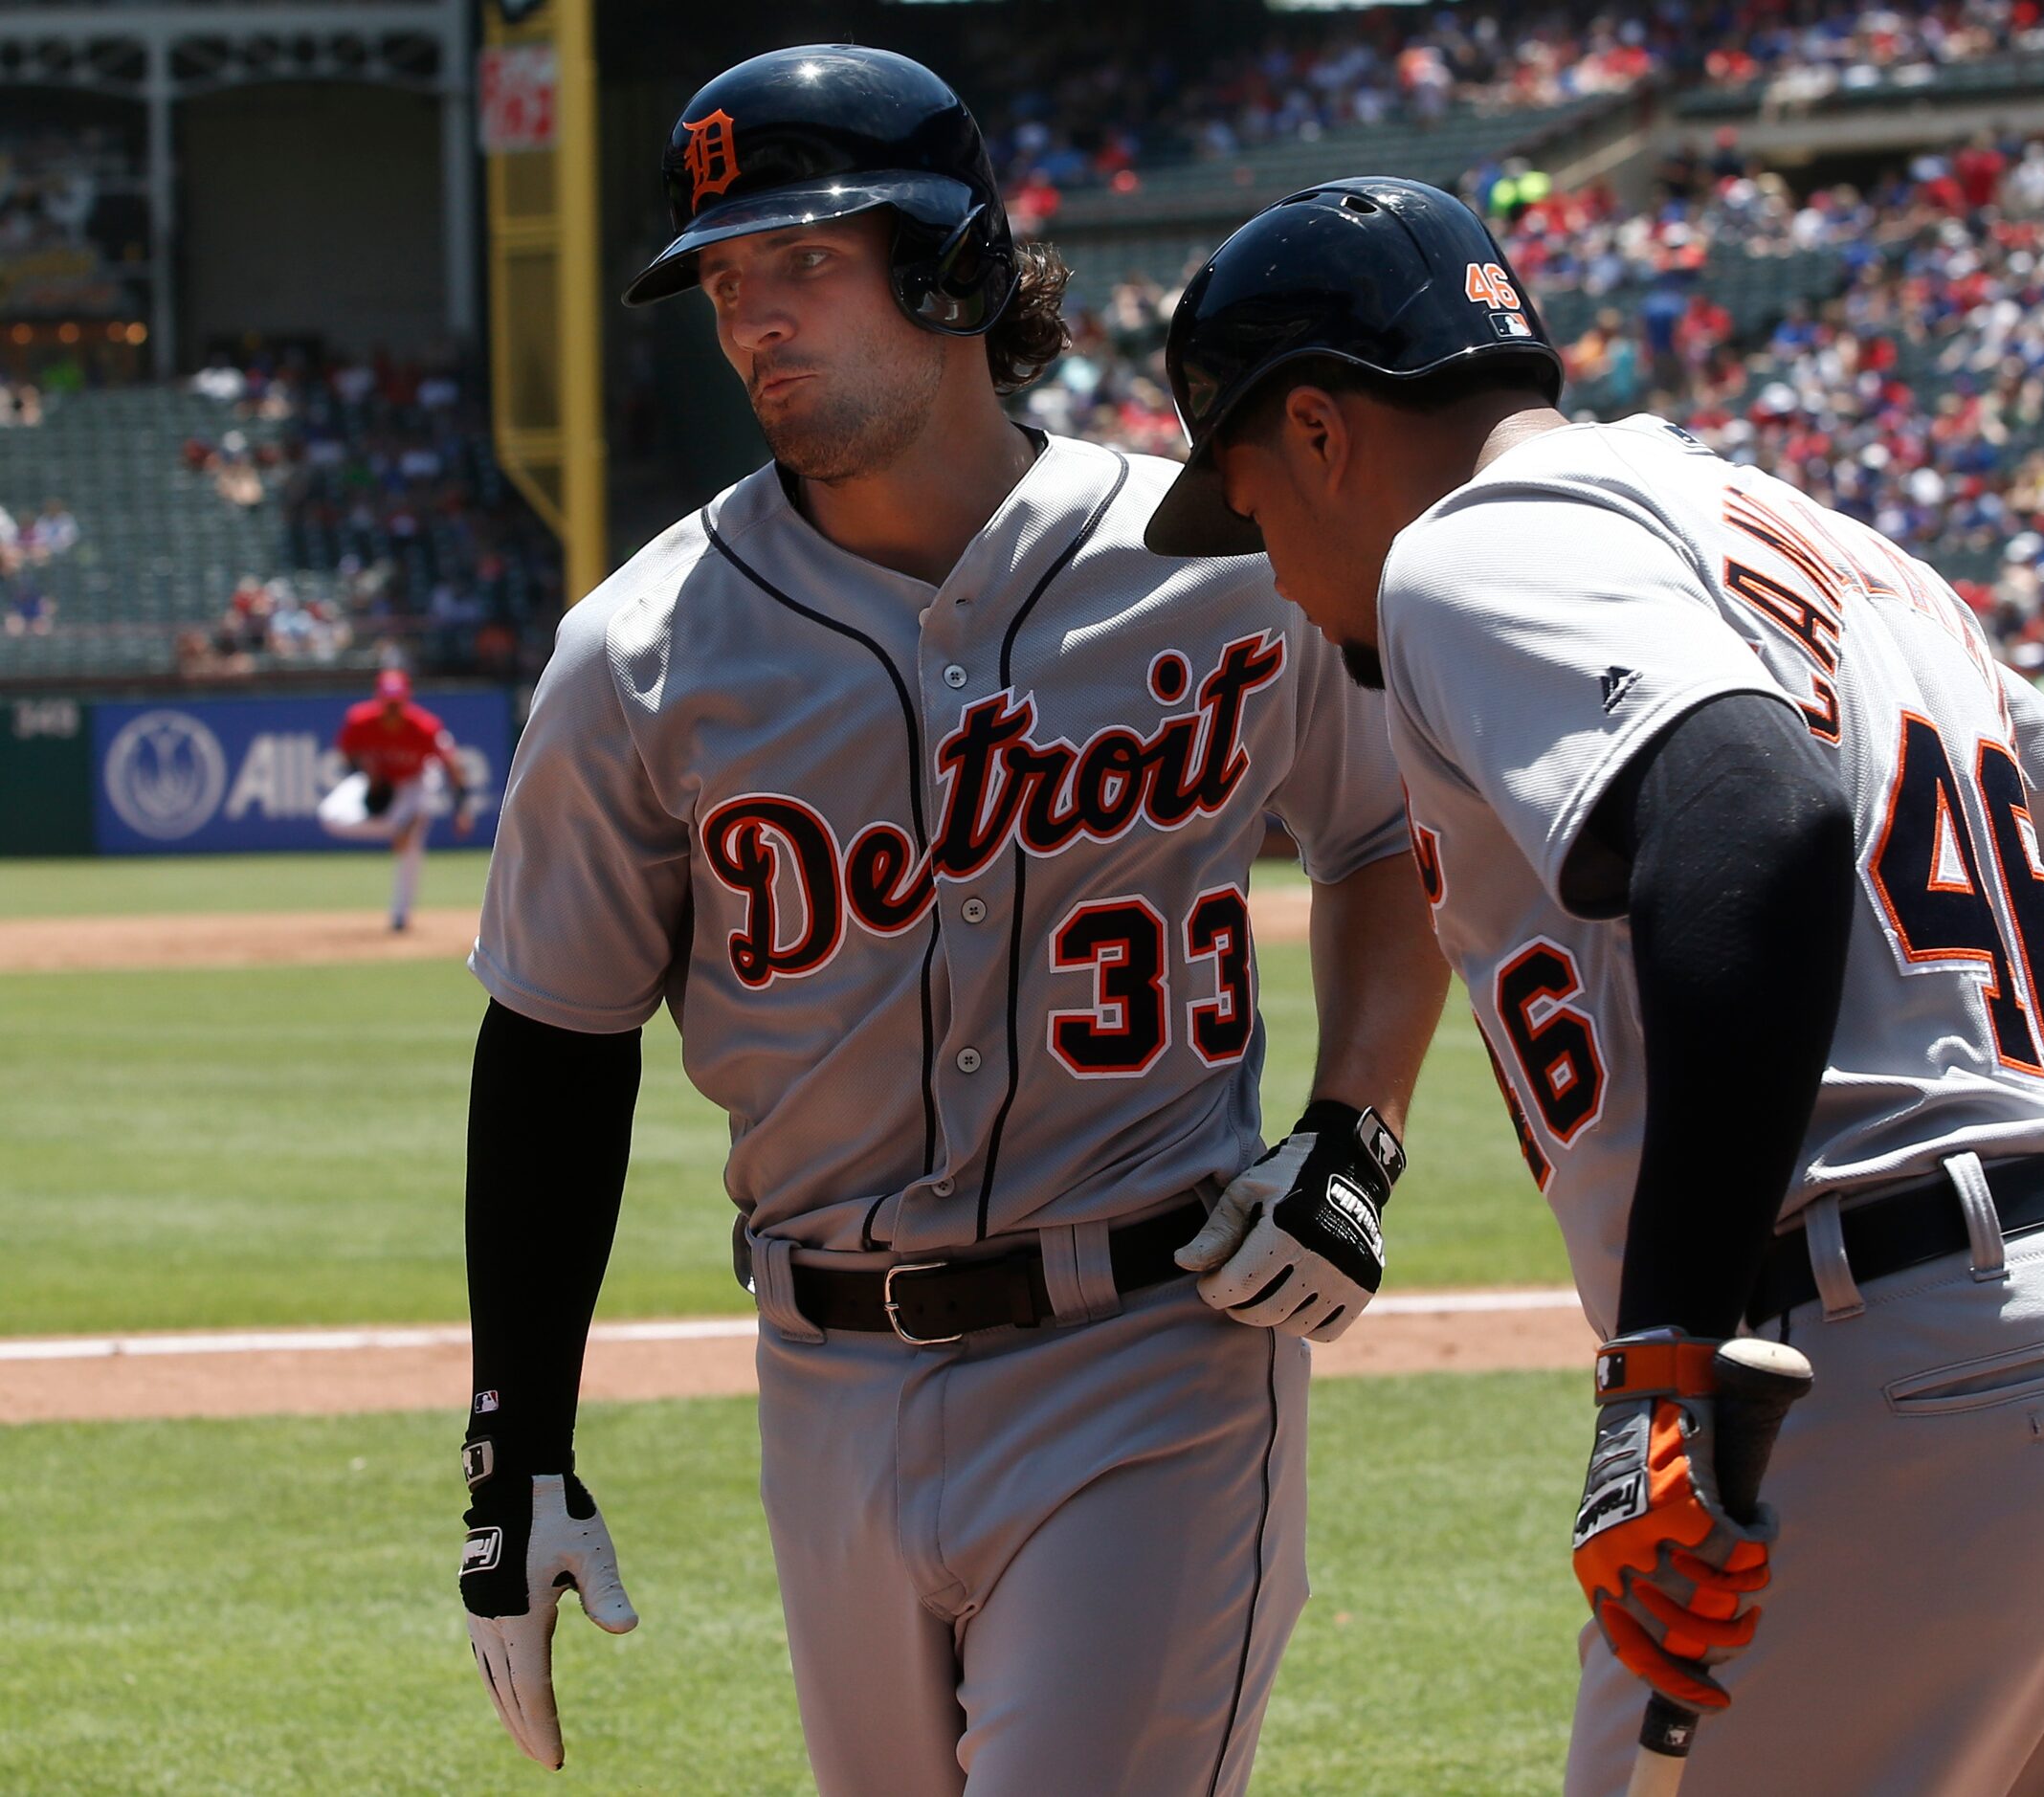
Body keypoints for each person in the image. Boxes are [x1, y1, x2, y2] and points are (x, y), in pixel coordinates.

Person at [1147, 177, 2044, 1797]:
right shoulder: (1826, 552)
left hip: (1887, 1359)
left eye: (1245, 499)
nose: (1270, 569)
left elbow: (1745, 812)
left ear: (1316, 431)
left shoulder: (1469, 550)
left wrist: (1663, 1356)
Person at [453, 51, 1447, 1797]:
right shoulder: (640, 648)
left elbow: (1382, 835)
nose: (753, 318)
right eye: (723, 281)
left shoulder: (1211, 553)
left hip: (1153, 1343)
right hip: (819, 1377)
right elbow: (555, 1034)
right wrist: (515, 1441)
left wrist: (1353, 1135)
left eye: (803, 263)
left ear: (952, 268)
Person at [318, 667, 471, 931]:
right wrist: (366, 772)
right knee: (329, 816)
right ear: (378, 700)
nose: (392, 709)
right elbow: (346, 756)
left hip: (415, 781)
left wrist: (462, 808)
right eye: (387, 703)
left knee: (413, 839)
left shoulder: (424, 726)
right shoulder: (360, 720)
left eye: (396, 704)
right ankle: (399, 827)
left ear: (406, 700)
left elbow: (453, 766)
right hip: (380, 780)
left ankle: (400, 916)